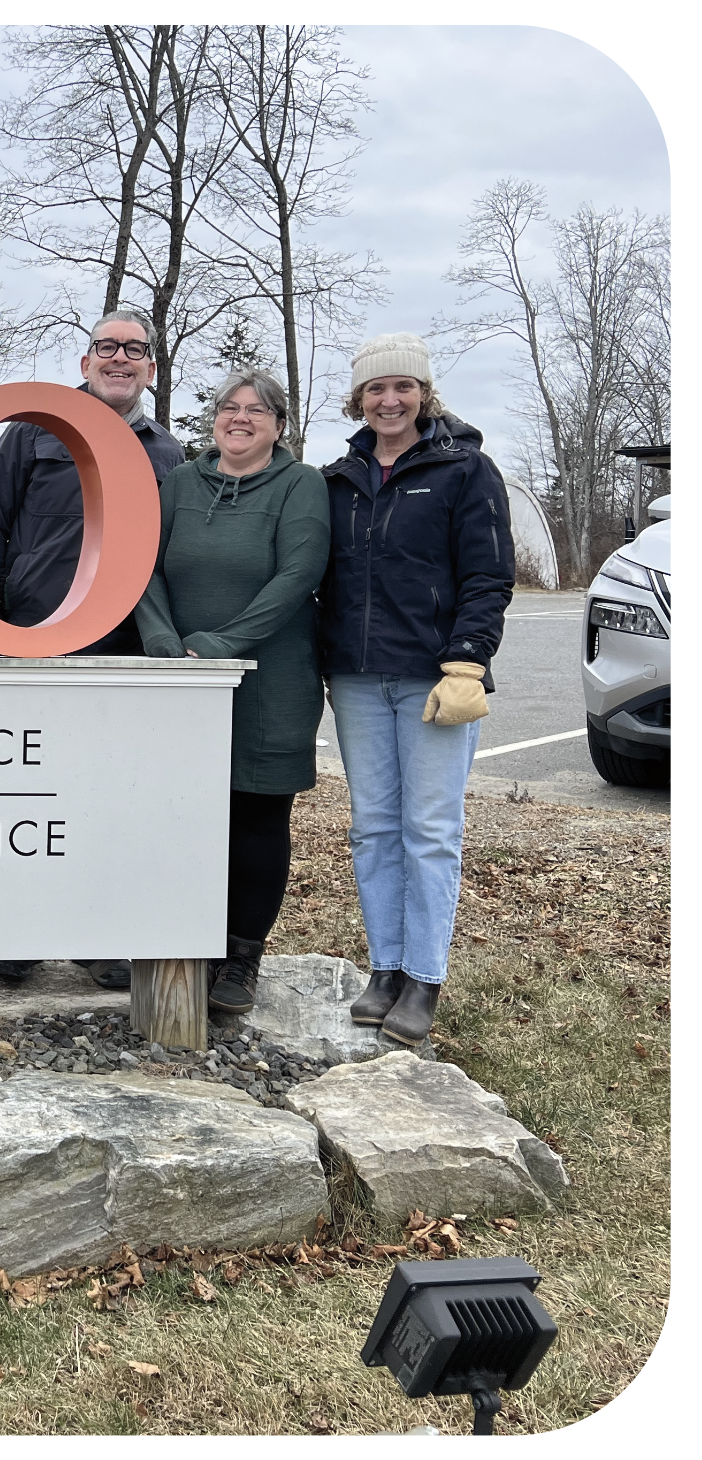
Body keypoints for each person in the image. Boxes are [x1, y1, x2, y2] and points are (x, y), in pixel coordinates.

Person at [0, 307, 188, 992]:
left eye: (134, 350)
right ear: (85, 362)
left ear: (150, 367)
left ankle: (97, 935)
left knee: (104, 797)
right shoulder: (34, 431)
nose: (120, 358)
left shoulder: (167, 453)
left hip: (123, 650)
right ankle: (19, 932)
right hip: (32, 638)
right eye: (106, 347)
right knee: (22, 794)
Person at [319, 333, 514, 1046]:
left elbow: (489, 577)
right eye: (376, 389)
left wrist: (466, 660)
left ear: (425, 394)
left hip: (438, 680)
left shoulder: (467, 471)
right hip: (359, 680)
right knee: (373, 829)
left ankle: (424, 978)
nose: (389, 400)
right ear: (359, 399)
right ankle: (386, 967)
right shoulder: (338, 479)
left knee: (429, 832)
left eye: (403, 387)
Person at [134, 369, 330, 1015]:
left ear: (279, 423)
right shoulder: (180, 483)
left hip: (269, 680)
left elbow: (297, 575)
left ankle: (241, 957)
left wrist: (221, 644)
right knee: (182, 813)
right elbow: (145, 567)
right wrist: (164, 640)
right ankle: (182, 945)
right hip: (181, 678)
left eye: (257, 410)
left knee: (255, 817)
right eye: (229, 408)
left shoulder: (300, 484)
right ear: (214, 418)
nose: (240, 418)